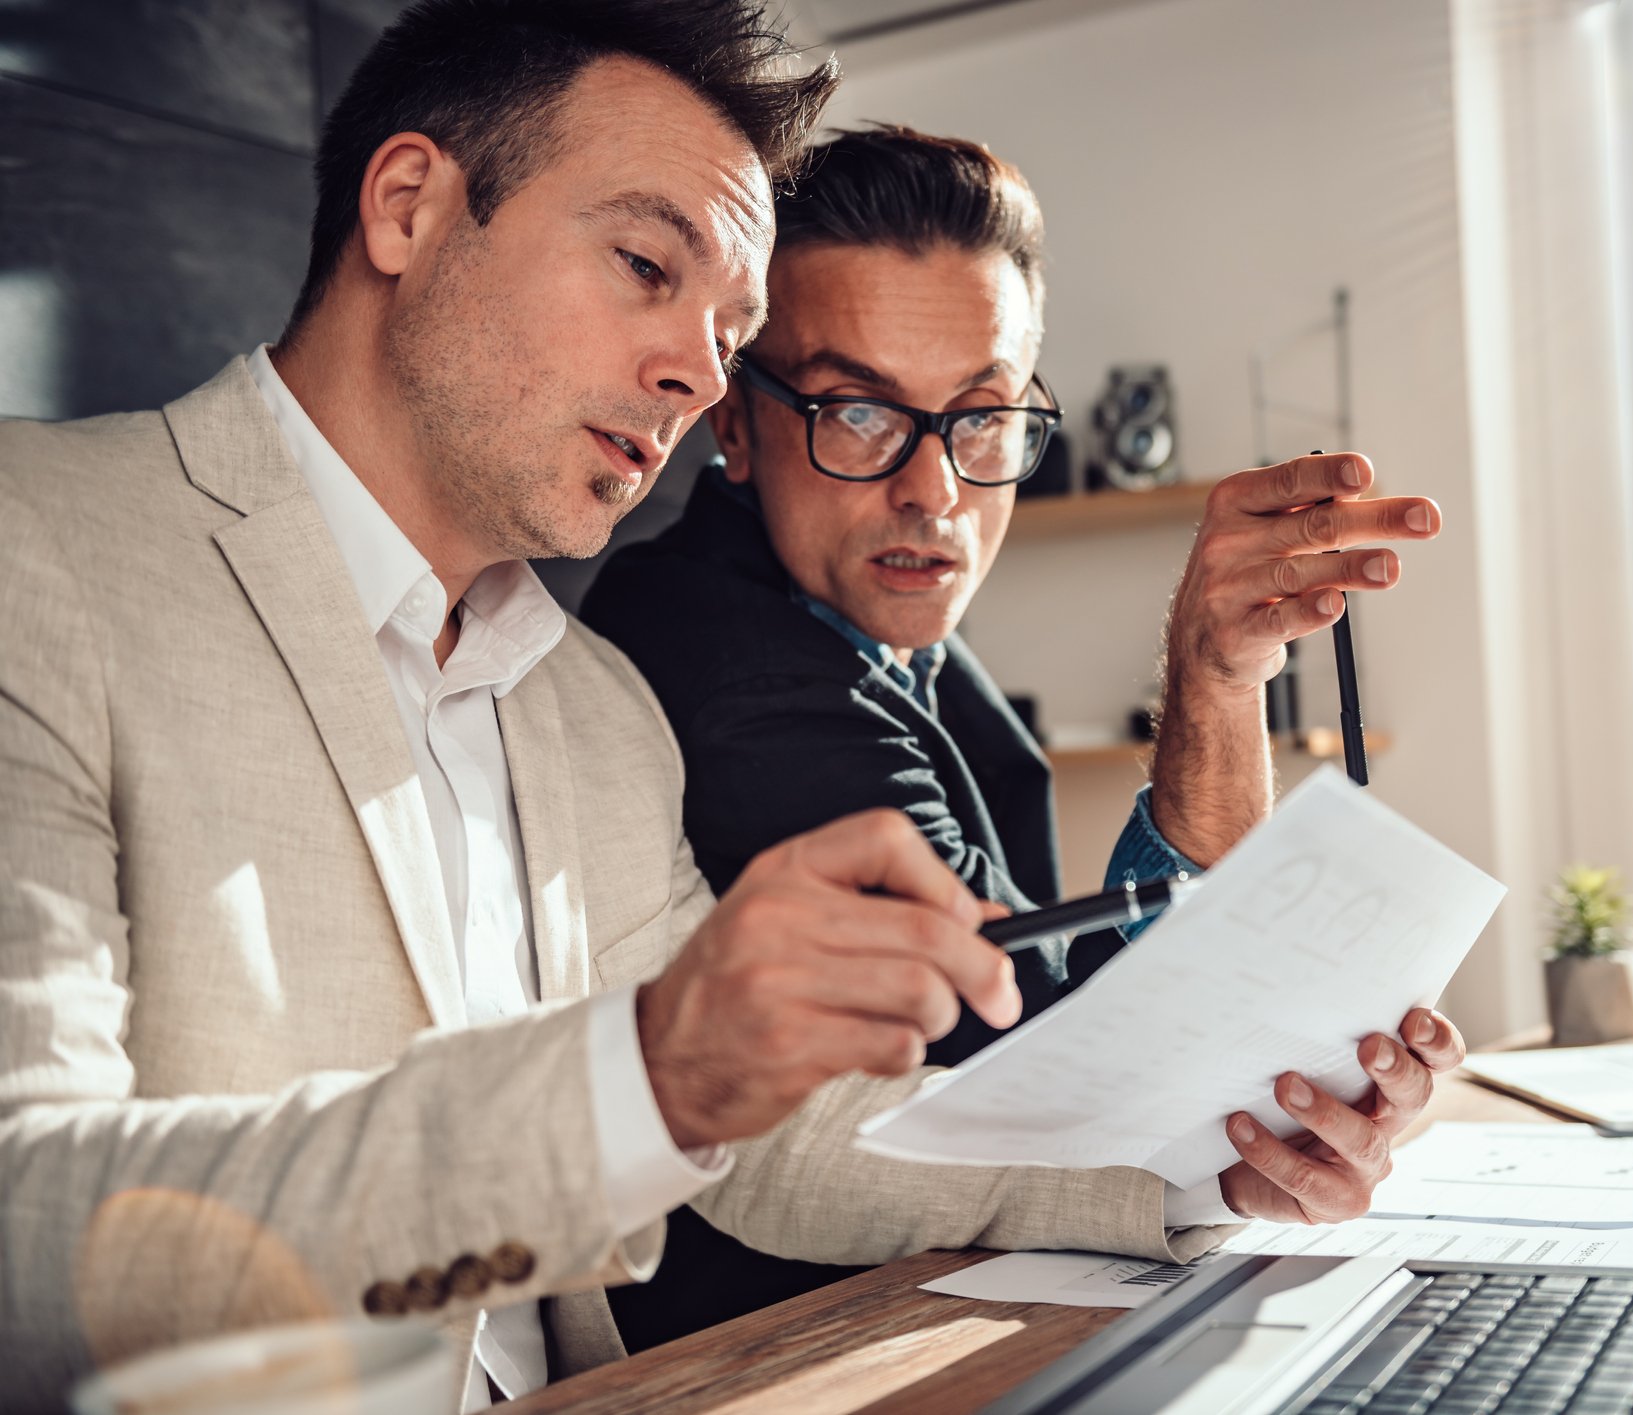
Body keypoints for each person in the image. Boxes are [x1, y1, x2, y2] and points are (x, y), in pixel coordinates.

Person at [0, 4, 1463, 1409]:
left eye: (729, 322)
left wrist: (1210, 1166)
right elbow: (23, 1230)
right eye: (648, 264)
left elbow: (772, 1143)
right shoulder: (37, 550)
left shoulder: (589, 700)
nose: (697, 374)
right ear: (407, 207)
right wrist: (641, 1070)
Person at [580, 125, 1447, 1344]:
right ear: (736, 423)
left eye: (980, 418)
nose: (932, 490)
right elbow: (1062, 1076)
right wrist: (1206, 690)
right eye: (856, 411)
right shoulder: (720, 658)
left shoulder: (880, 616)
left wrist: (1222, 673)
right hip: (798, 1352)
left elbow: (1115, 1030)